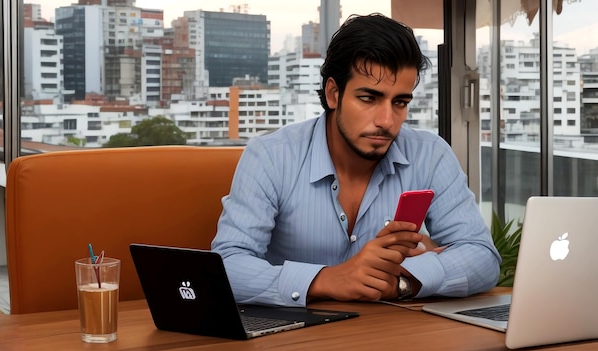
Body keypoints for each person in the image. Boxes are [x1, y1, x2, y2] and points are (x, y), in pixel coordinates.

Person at [211, 13, 501, 307]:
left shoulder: (430, 154)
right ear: (334, 93)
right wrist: (326, 280)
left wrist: (403, 281)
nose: (387, 121)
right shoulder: (271, 156)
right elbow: (227, 266)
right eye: (369, 98)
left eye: (400, 102)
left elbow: (482, 257)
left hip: (389, 332)